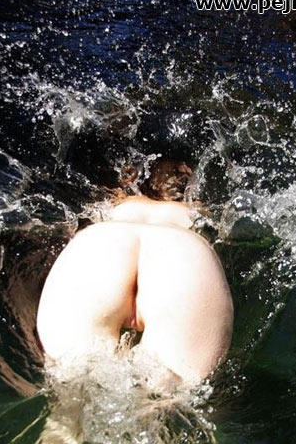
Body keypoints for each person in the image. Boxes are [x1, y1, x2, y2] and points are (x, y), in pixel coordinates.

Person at [36, 157, 233, 388]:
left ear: (129, 181)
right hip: (186, 252)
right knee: (171, 398)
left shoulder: (114, 203)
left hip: (96, 245)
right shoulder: (194, 211)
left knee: (70, 392)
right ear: (192, 190)